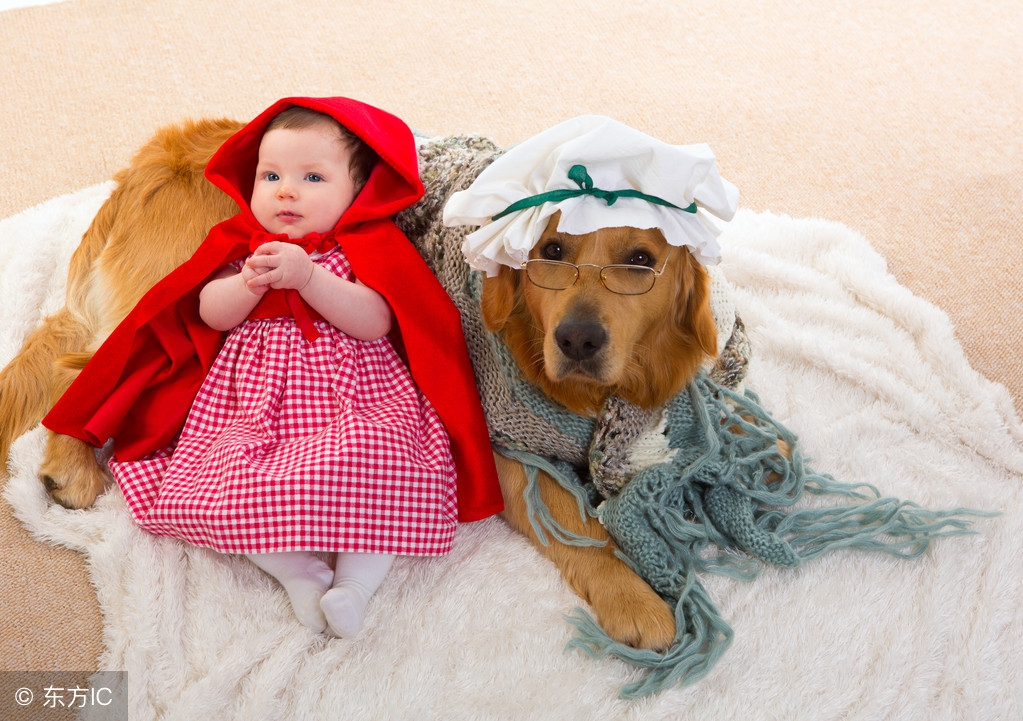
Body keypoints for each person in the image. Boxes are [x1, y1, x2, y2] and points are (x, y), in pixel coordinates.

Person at [44, 97, 504, 638]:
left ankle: (355, 587)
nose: (286, 191)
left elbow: (377, 320)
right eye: (271, 176)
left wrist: (310, 279)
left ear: (357, 191)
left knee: (390, 461)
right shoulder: (243, 247)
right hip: (258, 410)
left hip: (353, 403)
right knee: (224, 485)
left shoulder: (366, 247)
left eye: (312, 177)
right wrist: (245, 284)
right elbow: (207, 312)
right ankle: (298, 574)